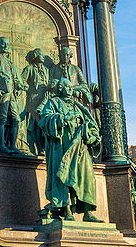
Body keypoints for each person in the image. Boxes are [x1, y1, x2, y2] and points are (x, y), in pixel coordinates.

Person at [38, 78, 102, 222]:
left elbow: (91, 124)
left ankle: (87, 211)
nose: (70, 88)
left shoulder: (78, 106)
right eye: (66, 86)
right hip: (61, 146)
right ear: (60, 89)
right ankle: (66, 210)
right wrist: (63, 119)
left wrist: (91, 135)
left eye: (70, 86)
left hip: (80, 147)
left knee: (87, 177)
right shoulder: (53, 103)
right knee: (63, 177)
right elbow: (45, 120)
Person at [0, 37, 27, 153]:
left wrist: (21, 86)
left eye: (7, 43)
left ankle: (12, 146)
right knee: (1, 118)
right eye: (2, 43)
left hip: (11, 93)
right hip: (2, 92)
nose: (5, 45)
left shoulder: (9, 62)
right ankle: (1, 146)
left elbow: (14, 78)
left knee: (16, 119)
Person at [21, 49, 52, 155]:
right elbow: (22, 80)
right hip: (33, 100)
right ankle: (35, 147)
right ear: (35, 56)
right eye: (40, 54)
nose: (42, 56)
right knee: (34, 124)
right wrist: (27, 88)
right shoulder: (29, 69)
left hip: (44, 99)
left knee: (43, 124)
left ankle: (43, 147)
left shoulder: (46, 70)